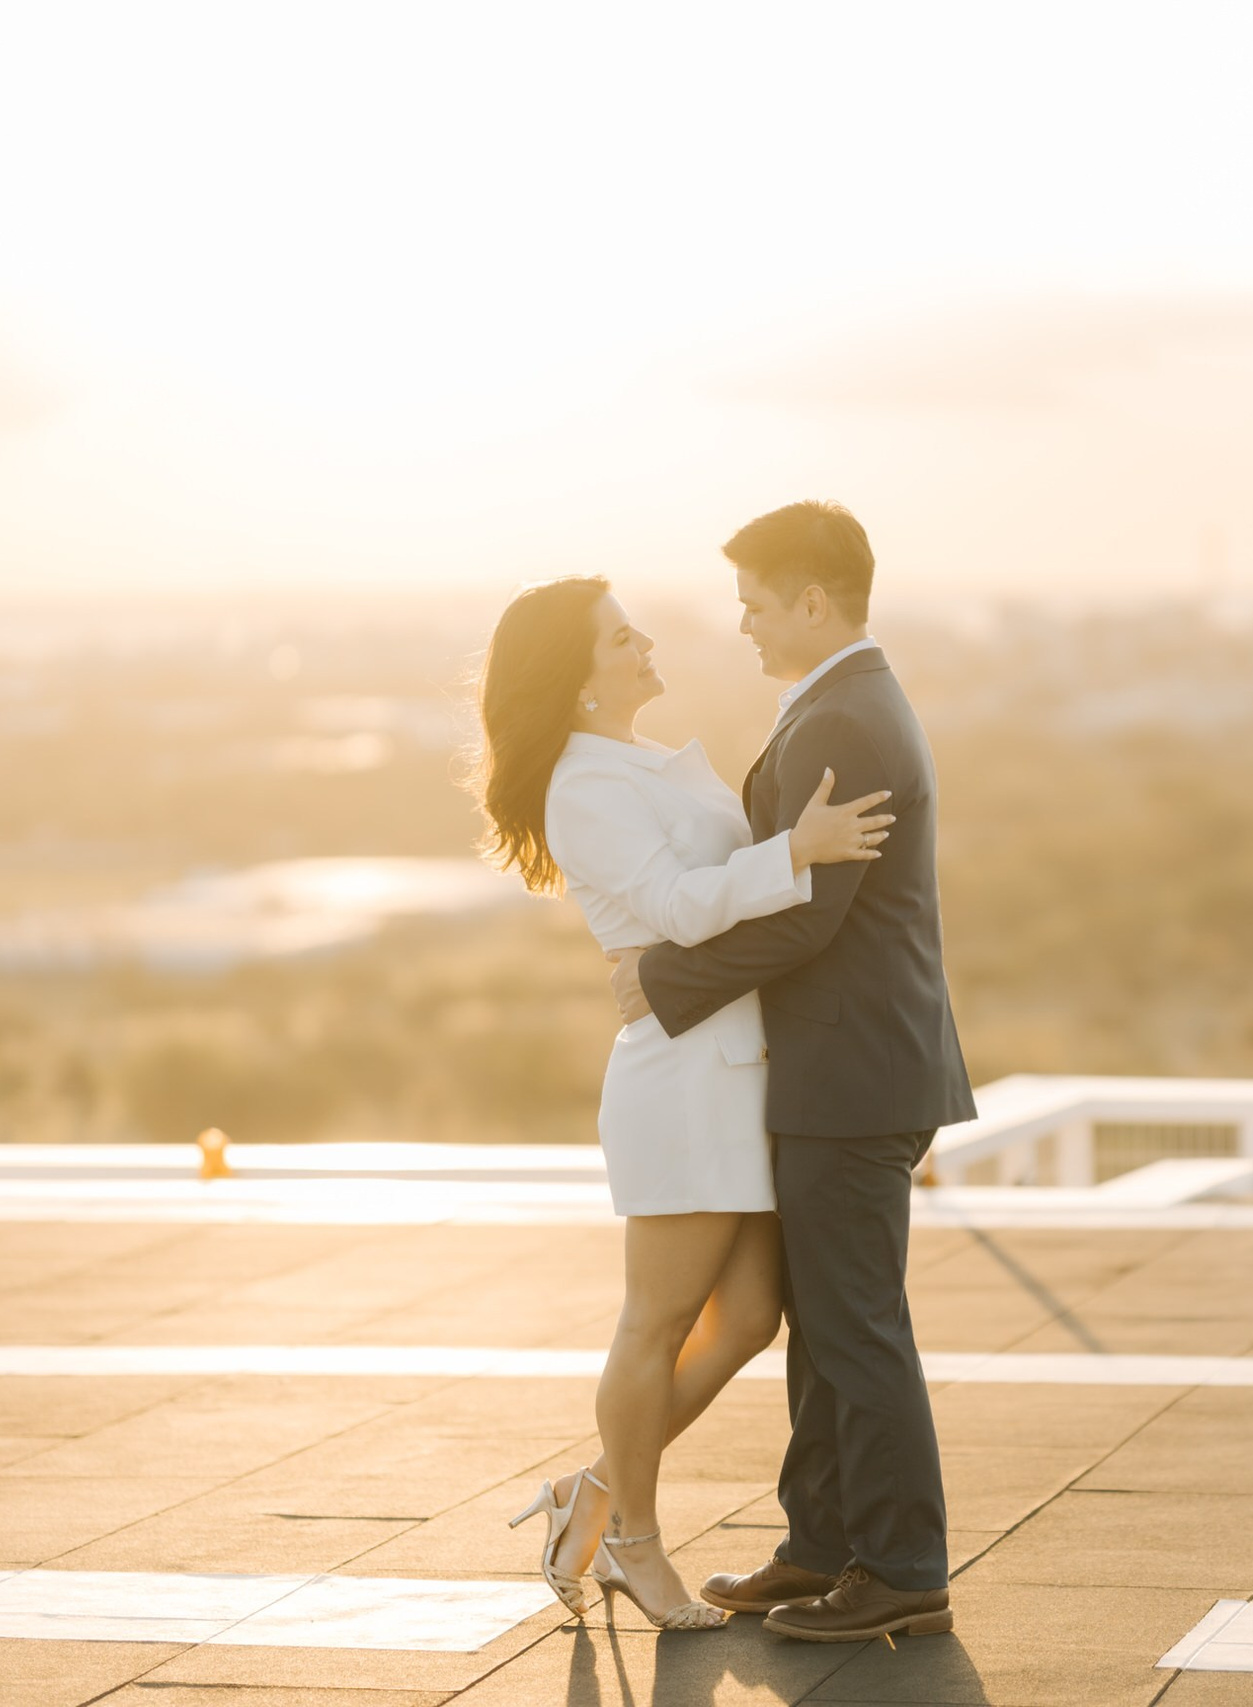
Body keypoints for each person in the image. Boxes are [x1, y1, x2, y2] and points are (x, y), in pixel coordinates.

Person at [471, 573, 896, 1630]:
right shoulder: (583, 784)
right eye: (621, 636)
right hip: (682, 1077)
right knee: (655, 1323)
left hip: (736, 1066)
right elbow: (669, 909)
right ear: (575, 681)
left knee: (748, 1316)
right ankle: (633, 1544)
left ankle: (590, 1494)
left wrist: (781, 858)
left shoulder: (642, 762)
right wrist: (793, 851)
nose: (646, 641)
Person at [610, 500, 977, 1642]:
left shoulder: (843, 723)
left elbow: (810, 919)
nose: (745, 628)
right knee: (827, 1319)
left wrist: (664, 980)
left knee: (857, 1325)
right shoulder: (843, 703)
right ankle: (821, 1543)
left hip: (851, 1074)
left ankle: (902, 1561)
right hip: (847, 1067)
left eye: (757, 606)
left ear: (814, 601)